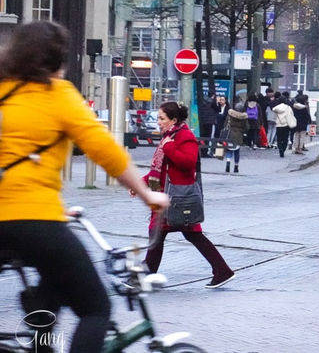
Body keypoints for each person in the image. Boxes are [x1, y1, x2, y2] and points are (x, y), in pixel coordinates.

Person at [0, 21, 170, 352]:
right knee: (95, 308)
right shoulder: (56, 94)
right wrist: (147, 193)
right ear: (55, 60)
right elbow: (104, 149)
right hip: (35, 222)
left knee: (52, 289)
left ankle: (41, 344)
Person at [141, 102, 235, 289]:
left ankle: (145, 277)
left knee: (163, 234)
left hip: (177, 197)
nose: (158, 122)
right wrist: (141, 183)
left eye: (162, 118)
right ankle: (222, 270)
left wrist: (169, 148)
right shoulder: (169, 137)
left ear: (173, 120)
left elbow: (187, 163)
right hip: (170, 195)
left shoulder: (184, 136)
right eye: (158, 118)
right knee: (186, 235)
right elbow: (160, 170)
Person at [224, 102, 248, 173]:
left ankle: (228, 162)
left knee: (229, 149)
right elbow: (246, 127)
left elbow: (225, 123)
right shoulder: (243, 117)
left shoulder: (230, 114)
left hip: (230, 133)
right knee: (237, 151)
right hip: (238, 135)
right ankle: (236, 166)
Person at [272, 93, 295, 157]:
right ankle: (283, 149)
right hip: (286, 125)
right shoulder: (288, 107)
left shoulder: (276, 108)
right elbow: (291, 115)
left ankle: (280, 149)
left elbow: (274, 115)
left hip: (279, 125)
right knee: (285, 138)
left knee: (279, 139)